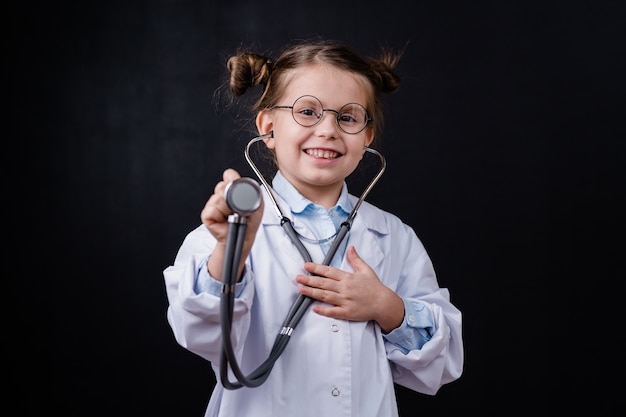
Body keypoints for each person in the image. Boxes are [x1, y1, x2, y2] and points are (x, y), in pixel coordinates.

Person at [163, 38, 463, 417]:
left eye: (348, 117)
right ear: (268, 127)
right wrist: (231, 251)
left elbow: (446, 360)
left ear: (367, 138)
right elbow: (197, 333)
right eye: (308, 111)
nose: (328, 130)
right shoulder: (231, 226)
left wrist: (387, 307)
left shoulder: (394, 237)